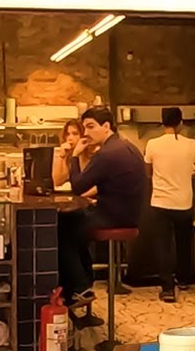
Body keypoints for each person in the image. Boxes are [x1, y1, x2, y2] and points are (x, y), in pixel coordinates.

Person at [58, 107, 146, 310]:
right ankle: (84, 285)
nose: (86, 133)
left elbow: (78, 186)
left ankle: (79, 288)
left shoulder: (107, 154)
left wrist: (74, 157)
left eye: (90, 127)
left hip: (112, 217)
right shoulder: (128, 147)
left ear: (106, 126)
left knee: (61, 228)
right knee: (73, 222)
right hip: (129, 215)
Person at [144, 107, 195, 303]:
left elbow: (147, 172)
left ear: (162, 123)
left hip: (160, 202)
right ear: (181, 123)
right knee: (183, 242)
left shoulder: (152, 144)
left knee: (163, 245)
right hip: (183, 202)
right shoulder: (191, 145)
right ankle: (183, 279)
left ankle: (167, 289)